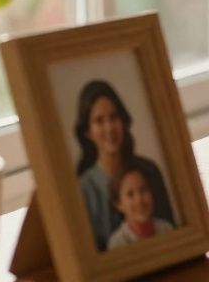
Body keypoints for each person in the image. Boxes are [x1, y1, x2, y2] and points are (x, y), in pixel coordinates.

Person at [74, 80, 176, 251]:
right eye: (99, 121)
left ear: (123, 121)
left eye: (113, 117)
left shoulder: (149, 170)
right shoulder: (83, 189)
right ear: (87, 132)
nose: (109, 128)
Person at [105, 163, 176, 249]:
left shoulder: (167, 229)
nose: (139, 200)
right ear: (119, 204)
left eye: (143, 190)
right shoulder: (116, 244)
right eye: (130, 194)